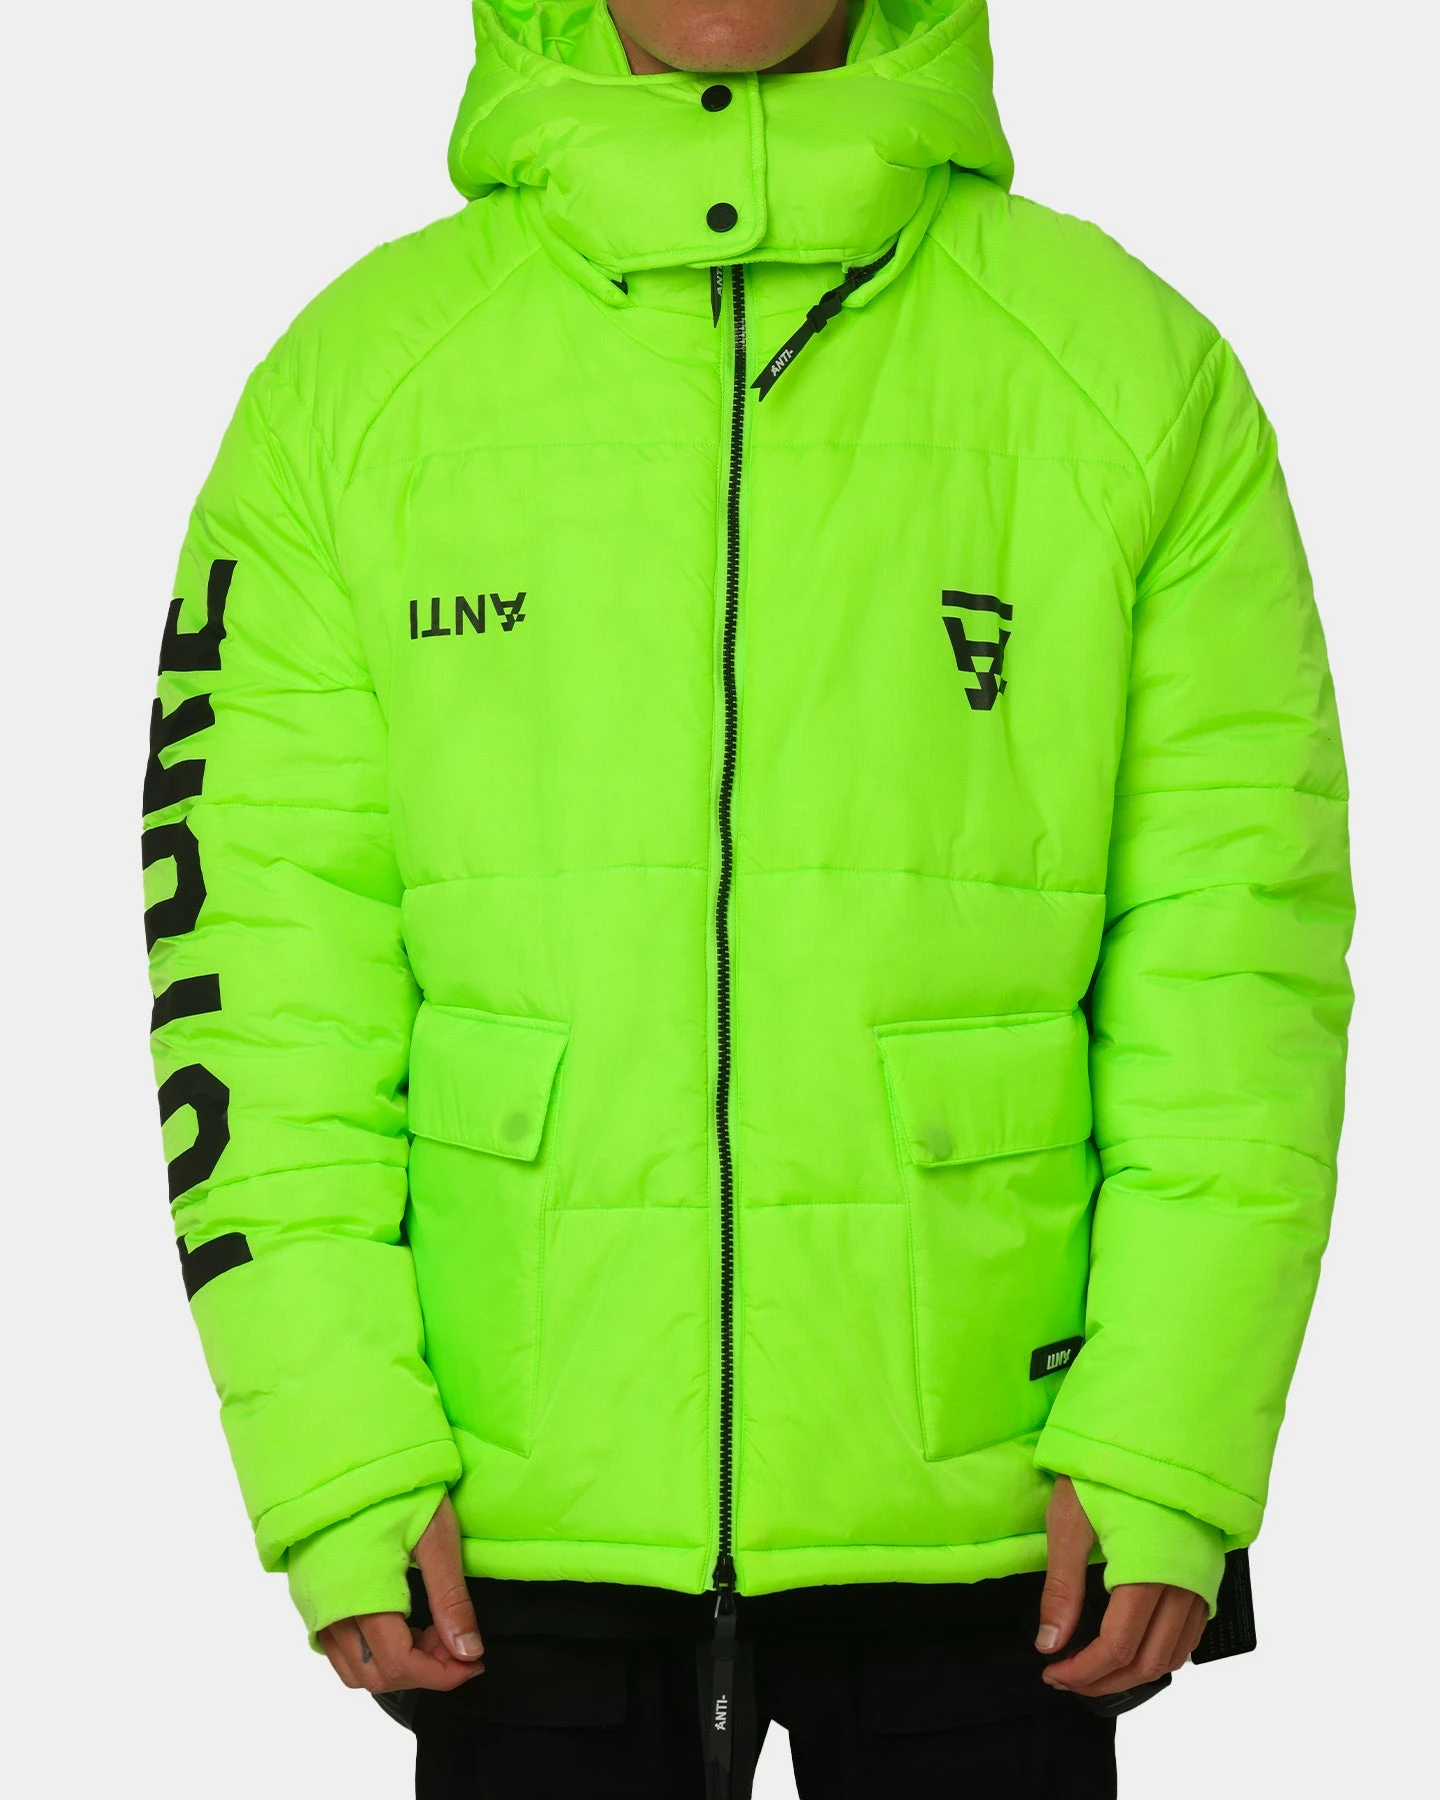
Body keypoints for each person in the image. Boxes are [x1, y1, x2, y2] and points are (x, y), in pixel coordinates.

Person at [142, 2, 1352, 1794]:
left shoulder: (1124, 368)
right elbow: (256, 971)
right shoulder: (356, 386)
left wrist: (1170, 1426)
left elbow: (1237, 955)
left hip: (1010, 1506)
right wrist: (337, 1446)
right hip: (505, 1513)